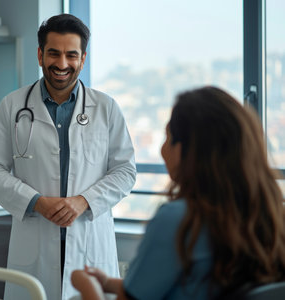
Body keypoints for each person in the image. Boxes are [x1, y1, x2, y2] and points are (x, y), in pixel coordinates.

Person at [71, 86, 285, 300]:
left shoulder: (178, 221)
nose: (162, 150)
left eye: (168, 137)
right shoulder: (267, 213)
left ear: (187, 150)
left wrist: (87, 285)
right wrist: (107, 283)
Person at [0, 14, 136, 300]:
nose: (62, 64)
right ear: (40, 55)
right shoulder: (13, 106)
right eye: (54, 53)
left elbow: (125, 171)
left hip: (89, 242)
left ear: (83, 59)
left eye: (71, 55)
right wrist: (36, 202)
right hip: (34, 245)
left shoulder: (106, 108)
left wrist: (84, 201)